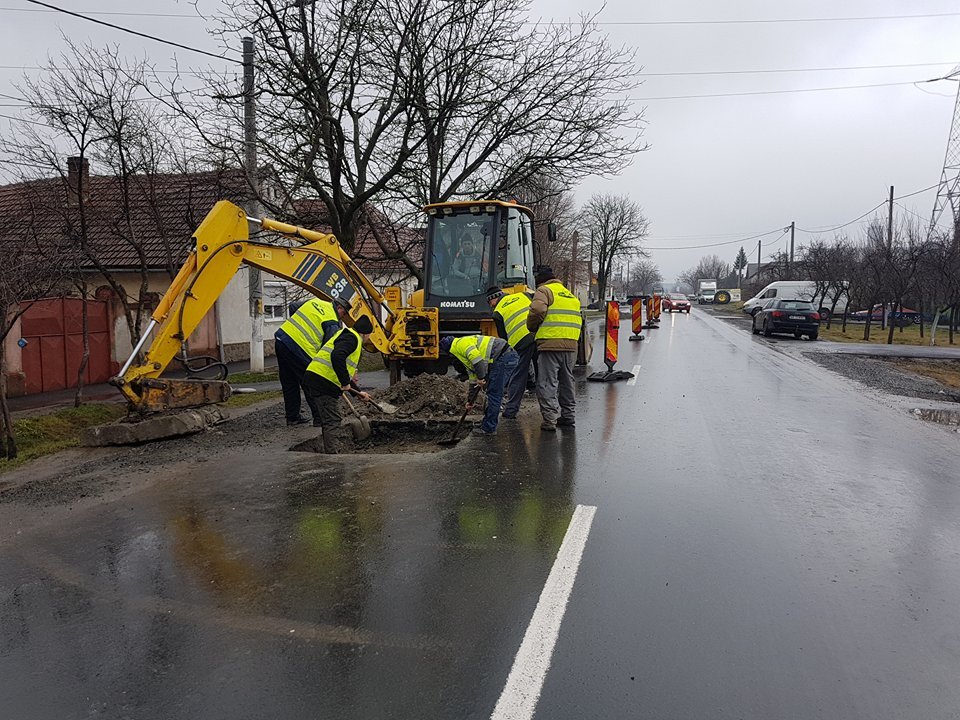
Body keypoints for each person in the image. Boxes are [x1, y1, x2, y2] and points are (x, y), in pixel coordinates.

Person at [301, 315, 374, 453]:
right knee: (333, 420)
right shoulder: (352, 338)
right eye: (369, 335)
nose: (369, 339)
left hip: (317, 379)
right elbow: (337, 356)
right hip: (321, 381)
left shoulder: (346, 335)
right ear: (365, 333)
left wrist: (357, 393)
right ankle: (332, 456)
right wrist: (345, 382)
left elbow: (343, 369)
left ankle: (329, 450)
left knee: (328, 419)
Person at [274, 296, 351, 426]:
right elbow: (328, 349)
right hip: (299, 349)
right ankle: (320, 418)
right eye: (343, 314)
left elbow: (293, 306)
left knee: (289, 382)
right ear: (339, 308)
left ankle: (292, 417)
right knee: (311, 382)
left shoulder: (316, 301)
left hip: (282, 339)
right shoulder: (331, 320)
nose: (342, 318)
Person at [526, 266, 581, 431]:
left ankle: (550, 420)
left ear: (540, 280)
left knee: (547, 382)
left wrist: (532, 326)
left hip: (550, 343)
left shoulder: (544, 290)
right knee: (567, 381)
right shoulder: (569, 294)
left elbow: (537, 309)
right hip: (570, 344)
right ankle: (568, 415)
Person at [440, 333, 518, 435]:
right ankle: (487, 423)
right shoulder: (461, 351)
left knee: (494, 393)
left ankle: (488, 428)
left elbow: (478, 361)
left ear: (449, 351)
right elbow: (473, 379)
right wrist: (470, 401)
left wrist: (481, 378)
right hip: (501, 357)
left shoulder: (461, 345)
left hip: (504, 357)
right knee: (492, 392)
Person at [487, 286, 535, 419]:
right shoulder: (523, 295)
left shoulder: (498, 312)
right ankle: (550, 411)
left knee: (518, 375)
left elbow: (503, 340)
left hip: (521, 342)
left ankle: (511, 410)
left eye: (489, 302)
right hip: (539, 335)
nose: (490, 306)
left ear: (493, 299)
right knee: (544, 372)